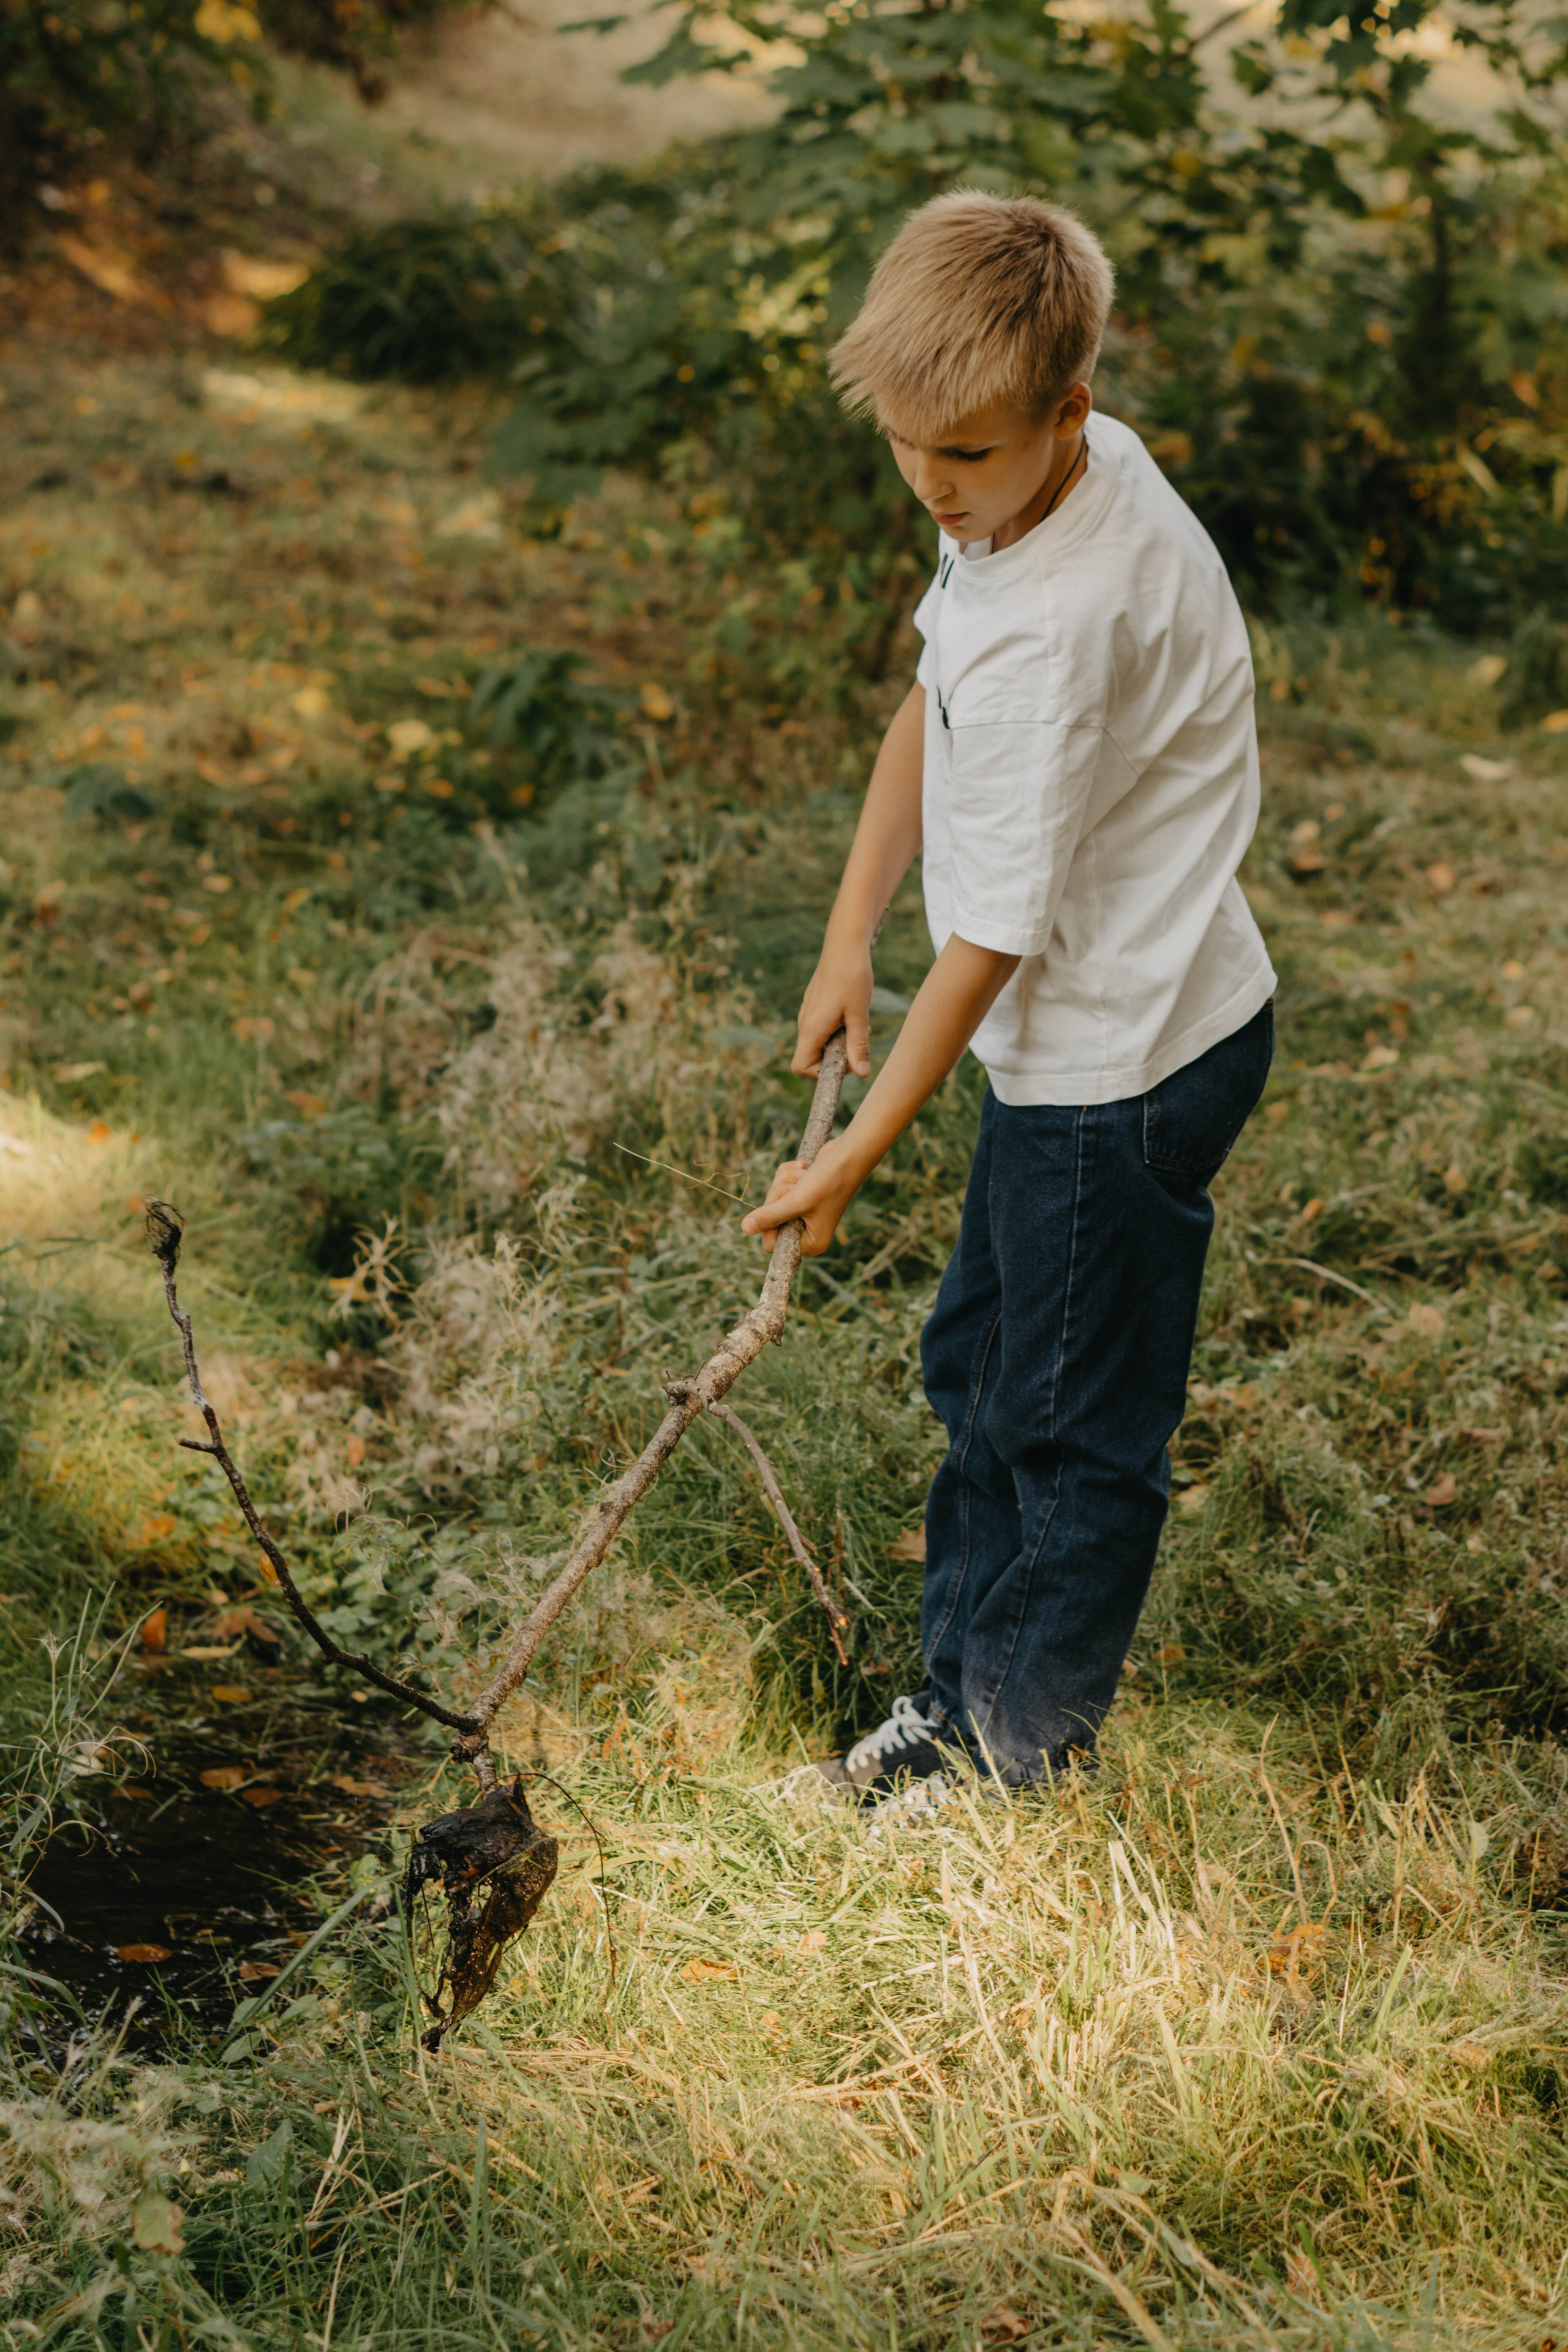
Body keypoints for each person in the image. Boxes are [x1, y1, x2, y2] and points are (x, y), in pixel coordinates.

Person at [741, 190, 1276, 1807]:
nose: (932, 486)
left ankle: (1007, 1761)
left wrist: (856, 1151)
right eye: (909, 449)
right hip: (1083, 1034)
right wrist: (848, 934)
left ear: (1069, 407)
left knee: (1066, 1427)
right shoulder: (1029, 482)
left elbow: (990, 942)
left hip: (1122, 1060)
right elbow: (932, 693)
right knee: (985, 1367)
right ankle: (953, 1702)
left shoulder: (1066, 619)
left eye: (962, 456)